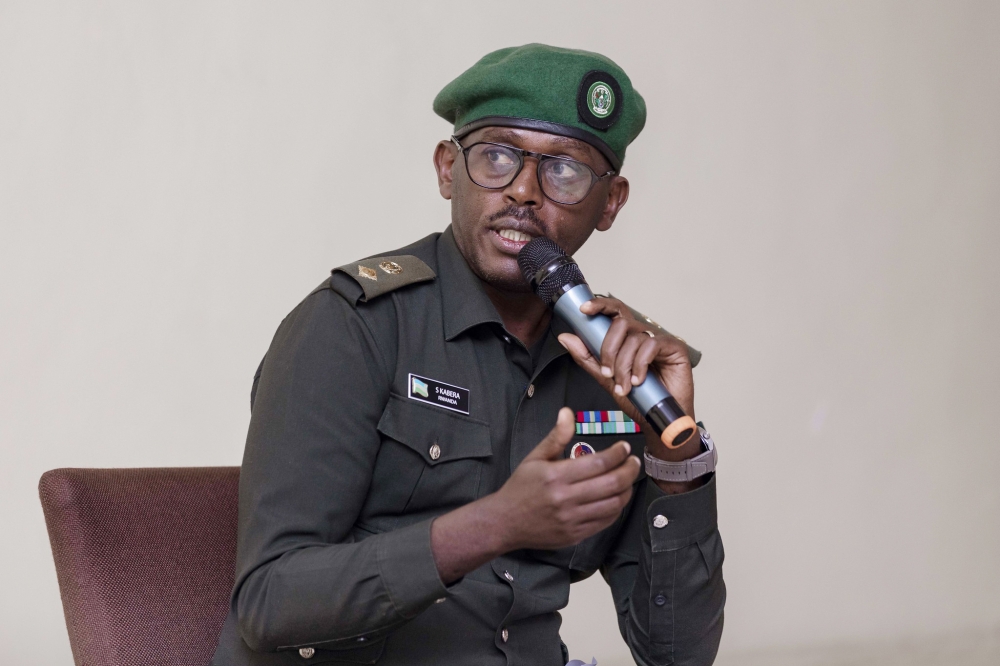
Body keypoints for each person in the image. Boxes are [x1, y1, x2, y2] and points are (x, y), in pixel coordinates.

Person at [211, 43, 725, 666]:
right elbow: (270, 602)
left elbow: (676, 654)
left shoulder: (610, 367)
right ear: (447, 170)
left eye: (564, 170)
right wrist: (497, 523)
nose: (524, 192)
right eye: (498, 156)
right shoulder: (351, 327)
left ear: (611, 201)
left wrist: (678, 457)